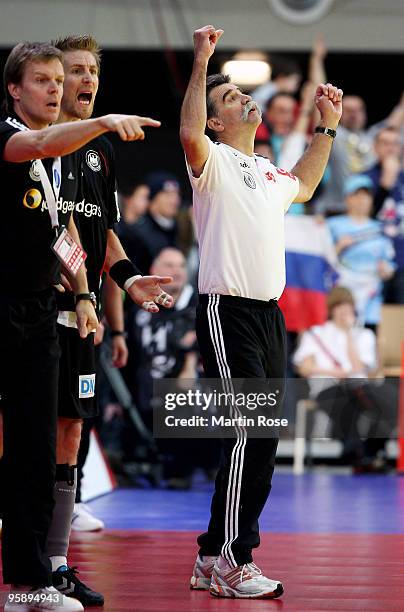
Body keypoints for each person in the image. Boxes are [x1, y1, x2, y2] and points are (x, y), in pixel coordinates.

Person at [0, 40, 170, 611]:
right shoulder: (16, 138)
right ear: (14, 89)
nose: (57, 88)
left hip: (40, 314)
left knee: (39, 444)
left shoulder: (70, 158)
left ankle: (33, 578)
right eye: (46, 79)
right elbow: (41, 140)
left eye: (64, 78)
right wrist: (100, 121)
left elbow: (65, 237)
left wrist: (111, 284)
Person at [180, 24, 342, 599]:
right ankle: (228, 557)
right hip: (229, 312)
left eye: (241, 94)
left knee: (263, 437)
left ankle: (214, 557)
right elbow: (189, 128)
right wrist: (203, 63)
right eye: (231, 98)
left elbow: (304, 183)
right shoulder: (213, 161)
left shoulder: (269, 172)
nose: (244, 98)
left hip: (269, 317)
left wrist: (326, 126)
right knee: (247, 429)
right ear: (218, 122)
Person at [293, 287, 397, 472]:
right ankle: (361, 455)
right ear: (331, 310)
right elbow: (304, 367)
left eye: (348, 308)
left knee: (386, 397)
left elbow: (358, 367)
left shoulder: (364, 335)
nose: (343, 313)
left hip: (361, 388)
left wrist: (349, 335)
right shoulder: (316, 333)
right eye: (339, 308)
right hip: (327, 388)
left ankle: (369, 453)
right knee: (350, 399)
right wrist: (331, 371)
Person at [327, 174, 395, 328]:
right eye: (356, 194)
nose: (362, 200)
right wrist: (338, 247)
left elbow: (390, 265)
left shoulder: (381, 228)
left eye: (366, 195)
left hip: (371, 302)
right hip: (340, 298)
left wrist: (386, 270)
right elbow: (321, 260)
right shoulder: (332, 224)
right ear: (347, 198)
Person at [364, 126, 404, 304]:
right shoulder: (364, 179)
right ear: (375, 147)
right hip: (372, 263)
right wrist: (385, 186)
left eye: (395, 144)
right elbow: (362, 216)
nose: (390, 148)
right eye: (385, 143)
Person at [118, 171, 181, 275]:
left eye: (176, 194)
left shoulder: (181, 228)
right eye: (167, 194)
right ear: (153, 199)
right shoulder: (137, 233)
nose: (174, 200)